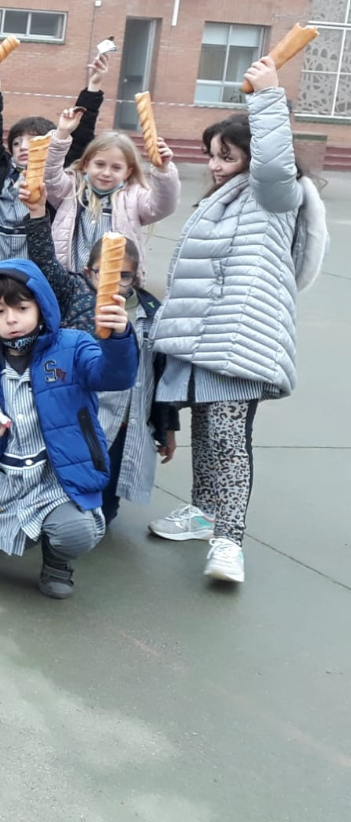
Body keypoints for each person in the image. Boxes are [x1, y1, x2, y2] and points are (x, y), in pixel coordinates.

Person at [148, 55, 328, 584]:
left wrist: (269, 99)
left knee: (229, 440)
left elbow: (275, 165)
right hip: (209, 339)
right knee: (208, 431)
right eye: (212, 156)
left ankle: (229, 540)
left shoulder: (273, 196)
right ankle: (205, 514)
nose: (216, 165)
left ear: (256, 155)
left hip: (240, 339)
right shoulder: (222, 201)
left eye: (227, 155)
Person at [0, 260, 136, 599]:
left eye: (21, 307)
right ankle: (10, 529)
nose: (10, 319)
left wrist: (119, 337)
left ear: (41, 307)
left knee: (75, 531)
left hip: (56, 473)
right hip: (6, 472)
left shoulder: (73, 346)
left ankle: (57, 558)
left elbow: (114, 376)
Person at [21, 197, 178, 527]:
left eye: (122, 275)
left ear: (134, 278)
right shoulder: (74, 292)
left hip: (126, 419)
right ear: (86, 270)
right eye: (103, 271)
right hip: (81, 410)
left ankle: (101, 511)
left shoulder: (150, 313)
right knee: (68, 472)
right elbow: (46, 263)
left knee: (106, 498)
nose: (112, 280)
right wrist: (37, 214)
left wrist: (166, 427)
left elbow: (160, 374)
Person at [0, 54, 108, 266]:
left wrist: (93, 86)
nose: (23, 147)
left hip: (36, 258)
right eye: (17, 143)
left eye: (32, 141)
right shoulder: (1, 169)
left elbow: (80, 134)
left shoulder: (55, 174)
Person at [44, 115, 179, 276]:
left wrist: (163, 170)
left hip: (114, 282)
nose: (106, 173)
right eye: (100, 164)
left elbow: (163, 205)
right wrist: (62, 133)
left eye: (116, 168)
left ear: (127, 172)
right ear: (86, 165)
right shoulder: (70, 189)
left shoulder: (134, 197)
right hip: (69, 280)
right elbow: (49, 176)